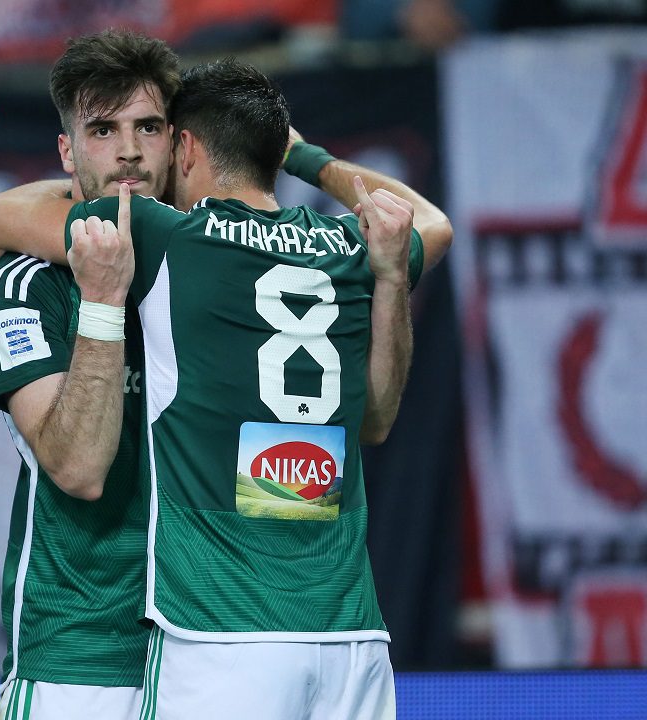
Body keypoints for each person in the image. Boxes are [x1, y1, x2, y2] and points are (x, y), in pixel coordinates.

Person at [56, 59, 453, 719]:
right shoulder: (346, 246)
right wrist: (309, 157)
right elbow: (431, 224)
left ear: (185, 148)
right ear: (274, 154)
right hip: (351, 637)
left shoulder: (165, 236)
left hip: (221, 633)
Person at [0, 30, 180, 720]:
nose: (128, 150)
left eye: (148, 127)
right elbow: (80, 468)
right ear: (67, 152)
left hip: (210, 649)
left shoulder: (216, 267)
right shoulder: (25, 285)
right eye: (103, 130)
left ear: (178, 143)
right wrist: (104, 300)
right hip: (80, 659)